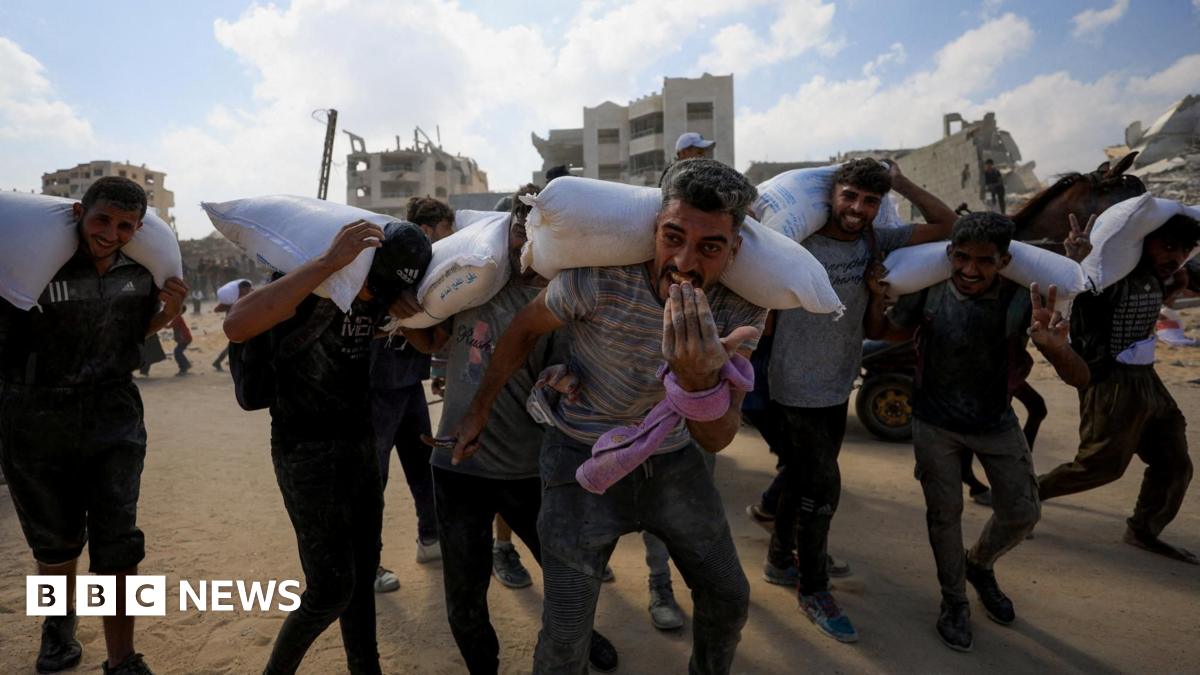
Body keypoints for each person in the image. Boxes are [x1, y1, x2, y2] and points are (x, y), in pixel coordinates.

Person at [451, 159, 765, 674]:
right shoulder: (599, 282)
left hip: (674, 462)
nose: (684, 263)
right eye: (673, 237)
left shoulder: (741, 308)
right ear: (655, 230)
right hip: (579, 457)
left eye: (710, 247)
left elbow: (718, 438)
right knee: (567, 627)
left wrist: (696, 384)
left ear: (734, 250)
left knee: (729, 597)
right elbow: (524, 329)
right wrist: (477, 409)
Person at [400, 184, 618, 674]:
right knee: (464, 594)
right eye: (518, 234)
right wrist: (404, 316)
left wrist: (567, 381)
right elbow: (432, 338)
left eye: (534, 237)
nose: (523, 248)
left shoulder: (564, 296)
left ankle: (585, 635)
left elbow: (580, 372)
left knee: (567, 576)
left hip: (531, 468)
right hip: (457, 465)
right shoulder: (470, 282)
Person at [873, 211, 1090, 652]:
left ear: (1005, 261)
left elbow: (1080, 379)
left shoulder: (1022, 297)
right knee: (943, 515)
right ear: (950, 254)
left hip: (995, 421)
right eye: (962, 258)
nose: (970, 270)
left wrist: (1055, 347)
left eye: (984, 261)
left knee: (1022, 512)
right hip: (934, 422)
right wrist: (873, 295)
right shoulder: (930, 289)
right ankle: (954, 602)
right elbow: (887, 332)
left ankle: (980, 563)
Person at [223, 219, 431, 674]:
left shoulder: (382, 297)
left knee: (362, 571)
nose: (372, 298)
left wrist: (408, 312)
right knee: (330, 587)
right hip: (305, 450)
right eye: (373, 286)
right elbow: (237, 325)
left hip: (359, 442)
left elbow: (434, 342)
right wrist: (330, 262)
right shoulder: (309, 285)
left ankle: (366, 667)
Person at [0, 177, 189, 674]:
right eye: (102, 219)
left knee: (119, 542)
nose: (110, 233)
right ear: (81, 213)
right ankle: (57, 628)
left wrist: (164, 317)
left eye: (125, 225)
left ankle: (123, 658)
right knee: (53, 542)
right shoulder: (33, 261)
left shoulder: (142, 270)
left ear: (138, 228)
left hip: (114, 416)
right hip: (35, 416)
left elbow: (133, 342)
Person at [766, 158, 954, 643]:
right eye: (850, 196)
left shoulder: (876, 240)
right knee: (823, 487)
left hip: (836, 382)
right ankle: (813, 587)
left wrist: (903, 182)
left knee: (799, 475)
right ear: (833, 193)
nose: (857, 208)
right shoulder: (800, 240)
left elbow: (948, 226)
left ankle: (777, 560)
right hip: (793, 384)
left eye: (870, 201)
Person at [1039, 212, 1200, 564]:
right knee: (1099, 466)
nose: (1175, 256)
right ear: (1146, 243)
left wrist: (1178, 277)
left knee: (1174, 463)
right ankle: (1024, 495)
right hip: (1111, 381)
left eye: (1184, 249)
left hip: (1148, 378)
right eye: (1167, 246)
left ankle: (1144, 529)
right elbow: (1077, 295)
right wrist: (1077, 261)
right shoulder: (1114, 276)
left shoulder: (1167, 273)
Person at [370, 197, 456, 594]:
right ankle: (366, 562)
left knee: (424, 465)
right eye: (445, 227)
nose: (449, 236)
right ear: (428, 229)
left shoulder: (429, 270)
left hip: (407, 384)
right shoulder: (390, 265)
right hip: (376, 387)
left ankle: (431, 538)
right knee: (374, 479)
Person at [211, 279, 253, 371]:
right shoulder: (232, 299)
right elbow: (217, 309)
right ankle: (220, 362)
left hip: (243, 326)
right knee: (234, 346)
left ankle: (219, 362)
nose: (247, 292)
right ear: (240, 289)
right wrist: (232, 307)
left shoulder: (246, 298)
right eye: (245, 290)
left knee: (235, 346)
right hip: (235, 327)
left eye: (248, 290)